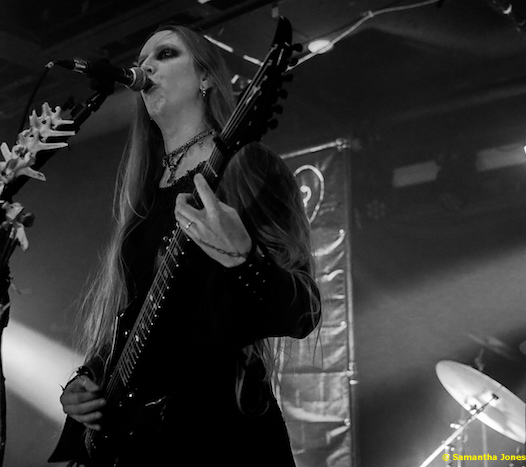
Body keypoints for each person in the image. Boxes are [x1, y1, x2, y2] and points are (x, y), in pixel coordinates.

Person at [49, 24, 322, 467]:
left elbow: (306, 309)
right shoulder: (144, 193)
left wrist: (245, 260)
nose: (146, 67)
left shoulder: (248, 166)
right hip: (143, 442)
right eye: (142, 60)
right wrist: (90, 380)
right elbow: (136, 317)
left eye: (166, 54)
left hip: (221, 431)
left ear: (206, 77)